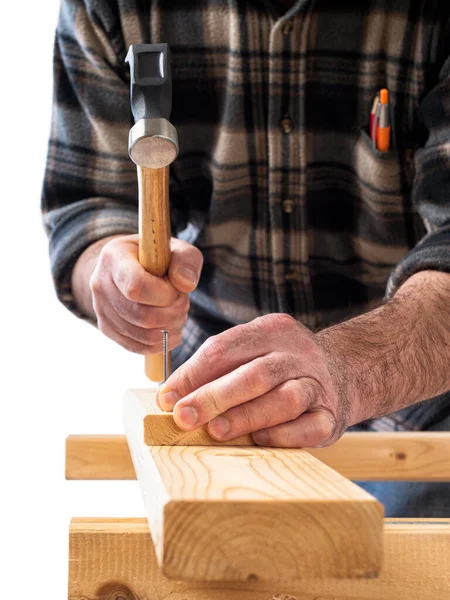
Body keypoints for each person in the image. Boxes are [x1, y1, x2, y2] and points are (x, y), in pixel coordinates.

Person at [42, 0, 450, 516]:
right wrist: (108, 268)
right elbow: (87, 204)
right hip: (219, 401)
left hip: (422, 398)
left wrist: (347, 370)